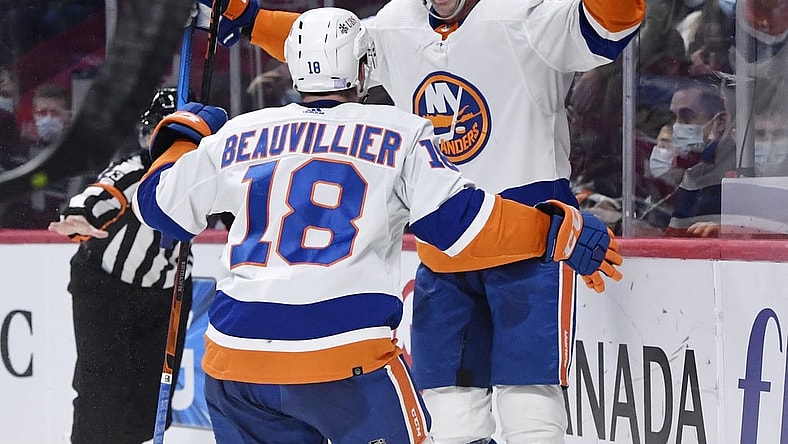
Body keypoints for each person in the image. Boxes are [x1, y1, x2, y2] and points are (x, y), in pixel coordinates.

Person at [132, 8, 622, 443]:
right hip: (343, 352)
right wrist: (553, 230)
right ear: (364, 68)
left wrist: (178, 138)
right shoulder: (399, 130)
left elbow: (156, 207)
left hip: (234, 358)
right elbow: (459, 222)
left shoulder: (241, 131)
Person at [47, 87, 193, 444]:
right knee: (101, 393)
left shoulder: (202, 174)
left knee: (150, 406)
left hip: (165, 294)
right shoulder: (135, 171)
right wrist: (78, 215)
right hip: (105, 288)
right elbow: (100, 194)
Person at [0, 83, 92, 228]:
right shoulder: (19, 156)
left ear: (68, 116)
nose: (48, 118)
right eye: (42, 113)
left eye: (54, 113)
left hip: (65, 235)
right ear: (34, 116)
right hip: (22, 236)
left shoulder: (80, 157)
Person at [663, 79, 735, 237]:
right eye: (674, 118)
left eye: (687, 116)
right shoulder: (695, 170)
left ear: (721, 121)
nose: (676, 126)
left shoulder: (734, 174)